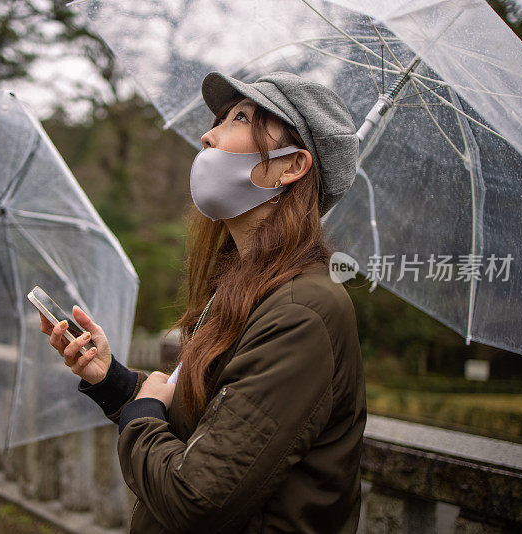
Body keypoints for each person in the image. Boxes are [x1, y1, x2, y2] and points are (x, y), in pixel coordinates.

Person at [40, 71, 366, 533]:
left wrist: (140, 416)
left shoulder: (300, 313)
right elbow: (204, 422)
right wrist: (114, 384)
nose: (207, 134)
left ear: (292, 167)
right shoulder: (246, 288)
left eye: (240, 117)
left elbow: (195, 497)